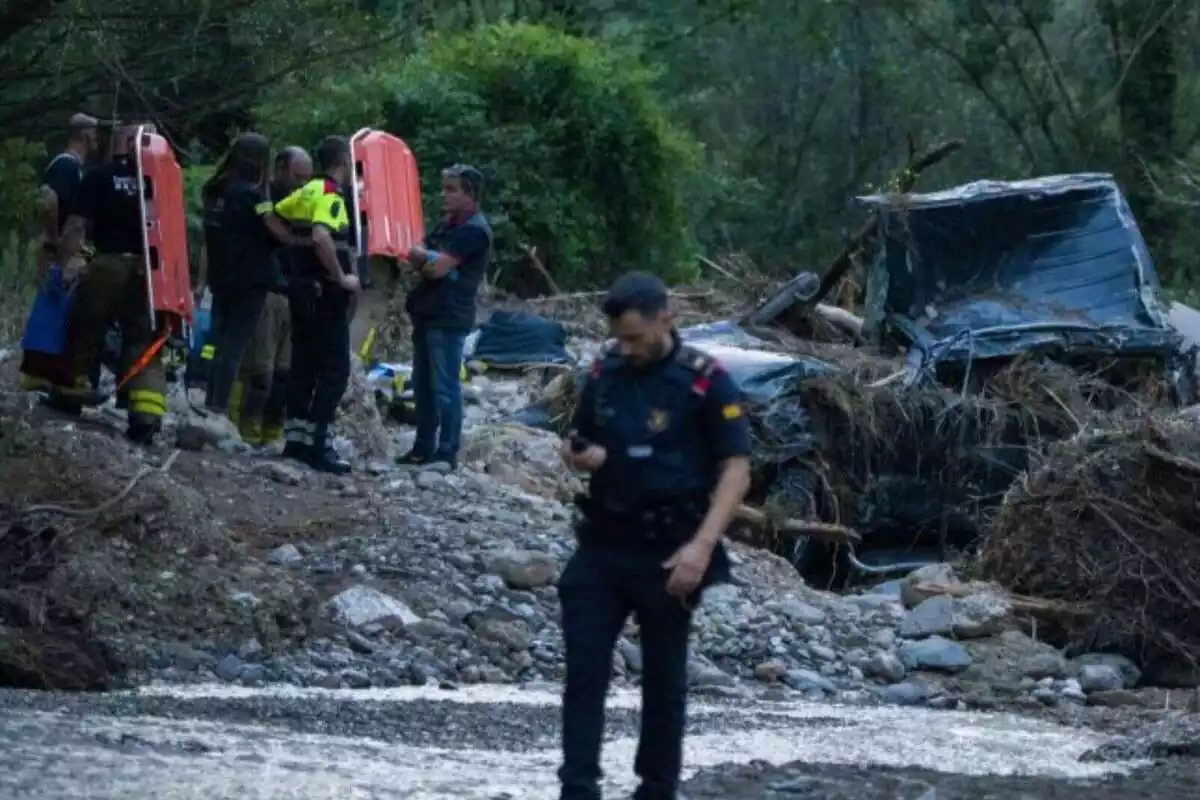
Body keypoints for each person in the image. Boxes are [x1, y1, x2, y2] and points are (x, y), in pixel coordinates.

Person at [557, 273, 752, 800]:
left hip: (672, 549)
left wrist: (703, 547)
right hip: (603, 544)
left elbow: (736, 468)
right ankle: (577, 788)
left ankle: (656, 789)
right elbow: (579, 442)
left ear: (667, 317)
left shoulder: (705, 381)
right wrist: (581, 457)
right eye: (620, 337)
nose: (628, 347)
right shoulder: (606, 370)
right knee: (584, 675)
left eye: (636, 337)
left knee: (664, 681)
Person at [53, 124, 170, 443]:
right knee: (143, 340)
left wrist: (62, 264)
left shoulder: (100, 176)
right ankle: (145, 414)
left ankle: (73, 391)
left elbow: (77, 224)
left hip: (108, 264)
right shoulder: (160, 183)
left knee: (85, 327)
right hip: (149, 272)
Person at [396, 163, 492, 471]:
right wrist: (425, 259)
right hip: (427, 312)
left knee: (445, 387)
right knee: (422, 384)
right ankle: (423, 447)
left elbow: (434, 266)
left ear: (470, 194)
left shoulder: (474, 230)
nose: (444, 195)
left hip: (448, 316)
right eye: (444, 188)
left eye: (451, 189)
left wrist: (424, 259)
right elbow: (418, 259)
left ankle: (447, 452)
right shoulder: (447, 225)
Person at [200, 133, 299, 432]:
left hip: (221, 278)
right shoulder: (254, 198)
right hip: (250, 281)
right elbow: (277, 232)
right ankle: (218, 409)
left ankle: (209, 403)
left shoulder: (215, 192)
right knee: (234, 347)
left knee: (218, 344)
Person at [273, 135, 360, 473]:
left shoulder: (307, 191)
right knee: (335, 371)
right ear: (345, 162)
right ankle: (318, 443)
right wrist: (341, 277)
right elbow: (323, 235)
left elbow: (273, 213)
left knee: (303, 367)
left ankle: (295, 440)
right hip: (326, 296)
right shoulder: (329, 194)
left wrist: (294, 245)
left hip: (301, 293)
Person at [229, 146, 312, 448]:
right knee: (259, 369)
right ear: (279, 169)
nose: (302, 185)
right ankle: (244, 427)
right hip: (268, 289)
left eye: (306, 178)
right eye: (296, 177)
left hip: (295, 292)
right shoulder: (262, 200)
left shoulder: (310, 203)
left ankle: (273, 430)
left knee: (284, 373)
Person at [19, 113, 101, 394]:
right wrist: (55, 241)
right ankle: (37, 371)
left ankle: (49, 371)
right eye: (94, 134)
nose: (97, 140)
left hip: (64, 248)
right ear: (84, 135)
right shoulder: (66, 166)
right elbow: (49, 200)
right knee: (53, 307)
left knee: (59, 309)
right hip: (58, 250)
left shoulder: (72, 167)